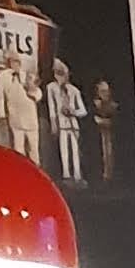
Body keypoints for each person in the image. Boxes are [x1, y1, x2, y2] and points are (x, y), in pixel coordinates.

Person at [41, 44, 90, 190]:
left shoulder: (73, 90)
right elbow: (52, 106)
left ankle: (77, 175)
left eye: (62, 74)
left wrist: (73, 111)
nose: (60, 77)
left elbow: (83, 110)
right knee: (63, 148)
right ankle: (66, 174)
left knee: (74, 149)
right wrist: (54, 123)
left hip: (72, 123)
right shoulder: (51, 88)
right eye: (57, 73)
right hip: (61, 123)